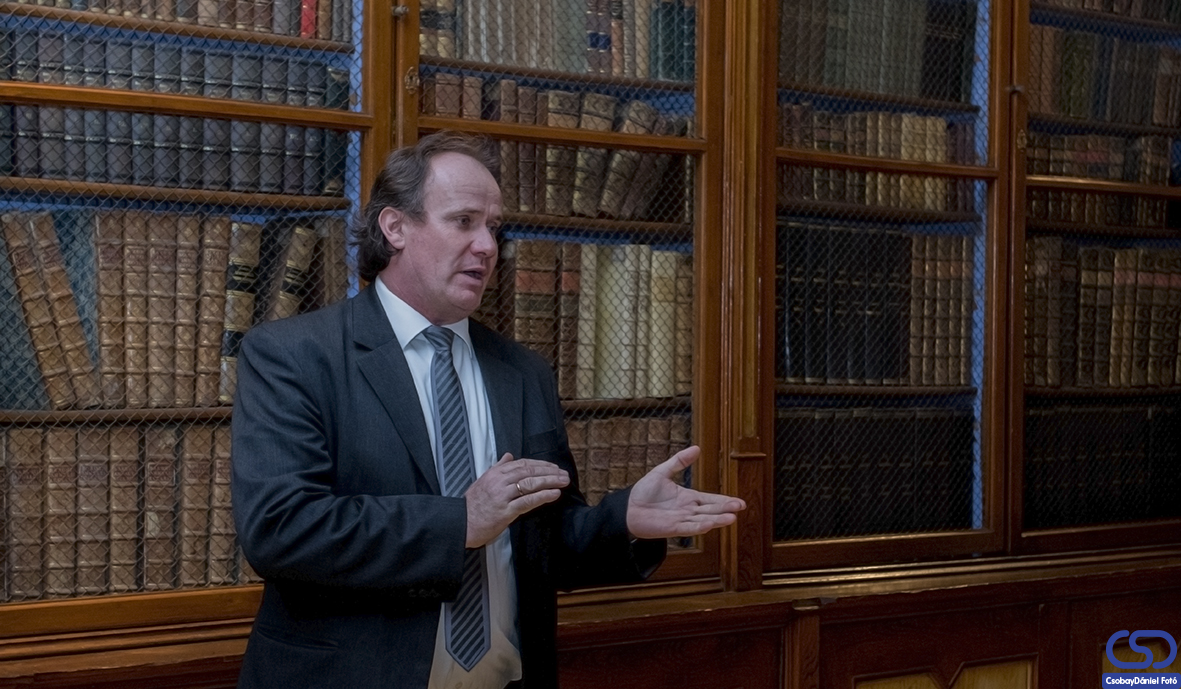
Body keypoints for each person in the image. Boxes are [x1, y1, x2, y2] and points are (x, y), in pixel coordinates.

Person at [231, 130, 746, 689]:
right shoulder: (293, 356)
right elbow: (282, 530)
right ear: (395, 227)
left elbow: (542, 541)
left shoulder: (522, 372)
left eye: (494, 228)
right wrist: (462, 522)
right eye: (463, 221)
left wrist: (621, 521)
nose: (486, 246)